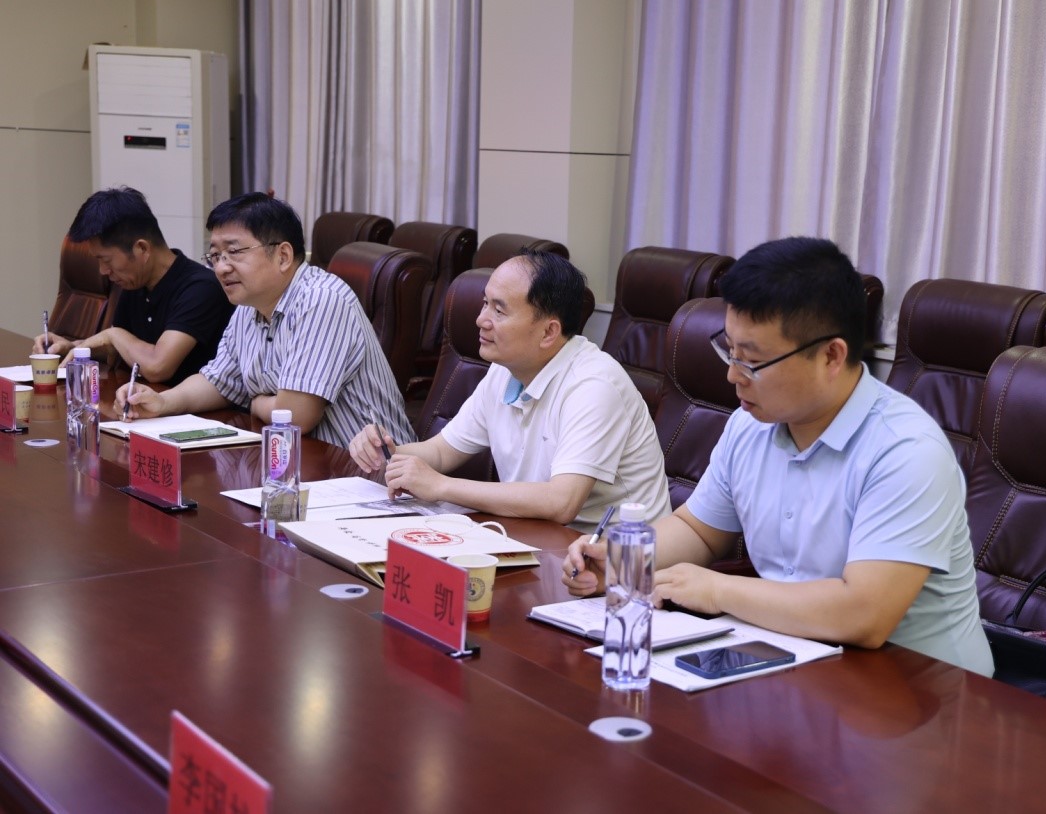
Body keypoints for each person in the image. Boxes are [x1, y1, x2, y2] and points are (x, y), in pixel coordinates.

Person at [563, 237, 994, 676]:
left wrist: (716, 591)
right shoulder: (751, 425)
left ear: (831, 356)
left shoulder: (905, 452)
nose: (732, 375)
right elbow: (699, 531)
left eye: (751, 361)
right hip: (798, 660)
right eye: (729, 350)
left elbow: (864, 615)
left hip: (920, 689)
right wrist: (622, 563)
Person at [348, 250, 671, 535]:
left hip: (618, 560)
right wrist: (389, 452)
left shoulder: (594, 386)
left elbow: (561, 502)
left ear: (549, 332)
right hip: (537, 539)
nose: (481, 319)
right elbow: (442, 452)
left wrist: (441, 486)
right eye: (485, 303)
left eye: (499, 311)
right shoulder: (505, 371)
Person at [116, 192, 415, 448]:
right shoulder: (249, 306)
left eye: (234, 252)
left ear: (283, 256)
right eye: (215, 256)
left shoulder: (321, 299)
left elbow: (296, 415)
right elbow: (218, 381)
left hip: (374, 476)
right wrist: (161, 402)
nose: (221, 268)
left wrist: (257, 403)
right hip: (301, 462)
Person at [33, 187, 232, 383]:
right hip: (141, 398)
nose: (102, 270)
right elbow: (119, 350)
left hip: (189, 403)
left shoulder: (200, 288)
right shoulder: (134, 284)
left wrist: (113, 334)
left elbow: (157, 366)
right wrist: (73, 348)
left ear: (141, 248)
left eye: (106, 260)